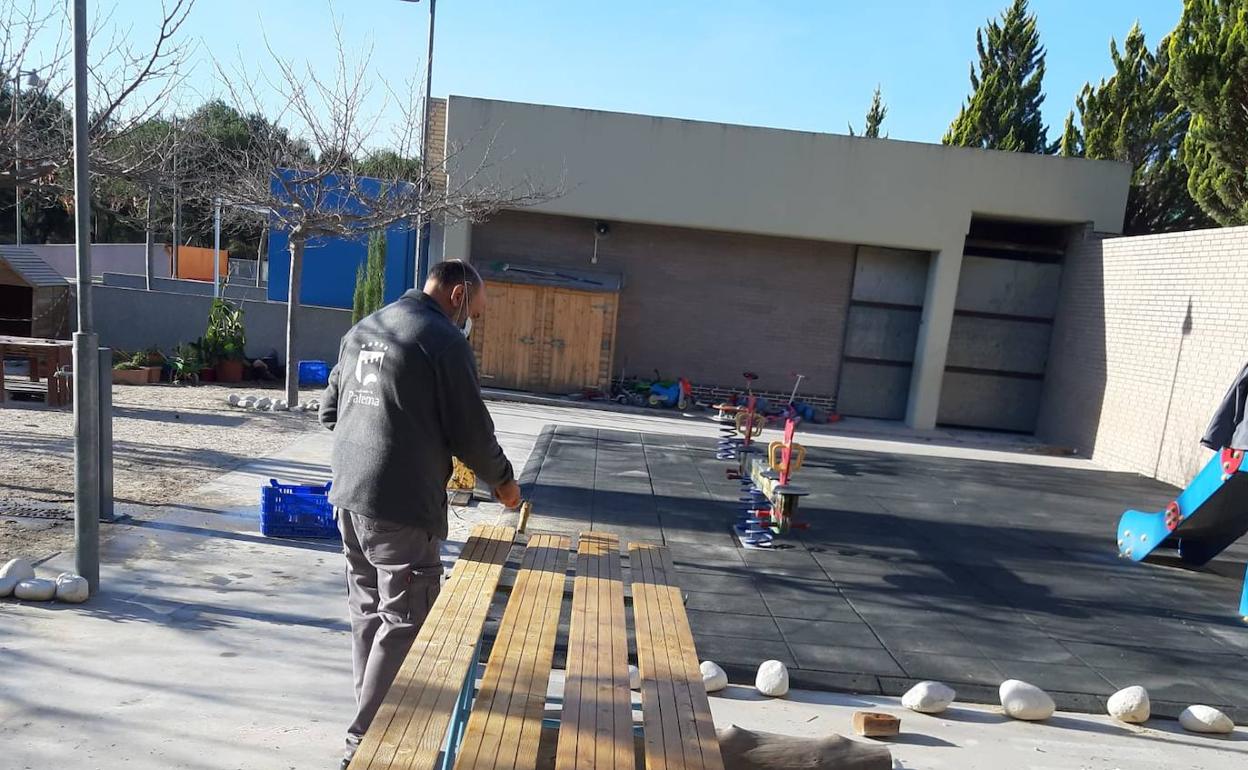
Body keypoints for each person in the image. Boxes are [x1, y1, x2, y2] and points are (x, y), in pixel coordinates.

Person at [319, 259, 521, 769]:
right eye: (475, 308)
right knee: (406, 620)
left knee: (369, 615)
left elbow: (329, 411)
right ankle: (364, 745)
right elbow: (471, 430)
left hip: (348, 496)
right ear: (457, 294)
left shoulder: (367, 327)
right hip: (401, 506)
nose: (473, 319)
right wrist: (503, 481)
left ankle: (367, 728)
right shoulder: (442, 341)